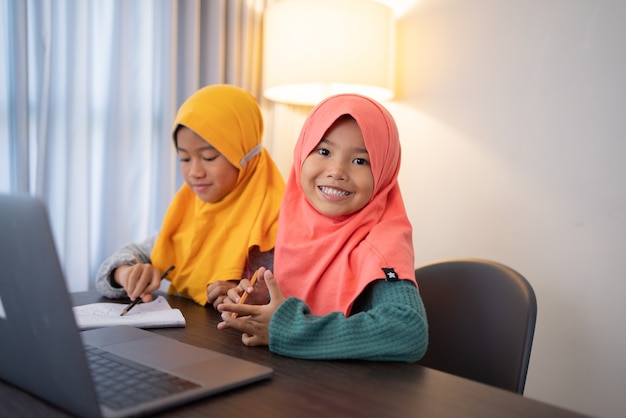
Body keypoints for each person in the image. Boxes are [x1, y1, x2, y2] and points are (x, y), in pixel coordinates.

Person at [218, 93, 428, 362]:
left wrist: (291, 328)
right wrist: (264, 305)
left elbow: (408, 332)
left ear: (385, 171)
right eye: (324, 152)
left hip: (354, 396)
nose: (336, 171)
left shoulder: (380, 245)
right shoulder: (293, 225)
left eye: (361, 161)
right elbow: (294, 309)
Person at [95, 84, 285, 307]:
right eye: (184, 159)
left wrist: (255, 298)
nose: (195, 172)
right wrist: (124, 274)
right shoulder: (191, 212)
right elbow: (107, 271)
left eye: (209, 157)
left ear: (245, 155)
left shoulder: (279, 225)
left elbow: (302, 302)